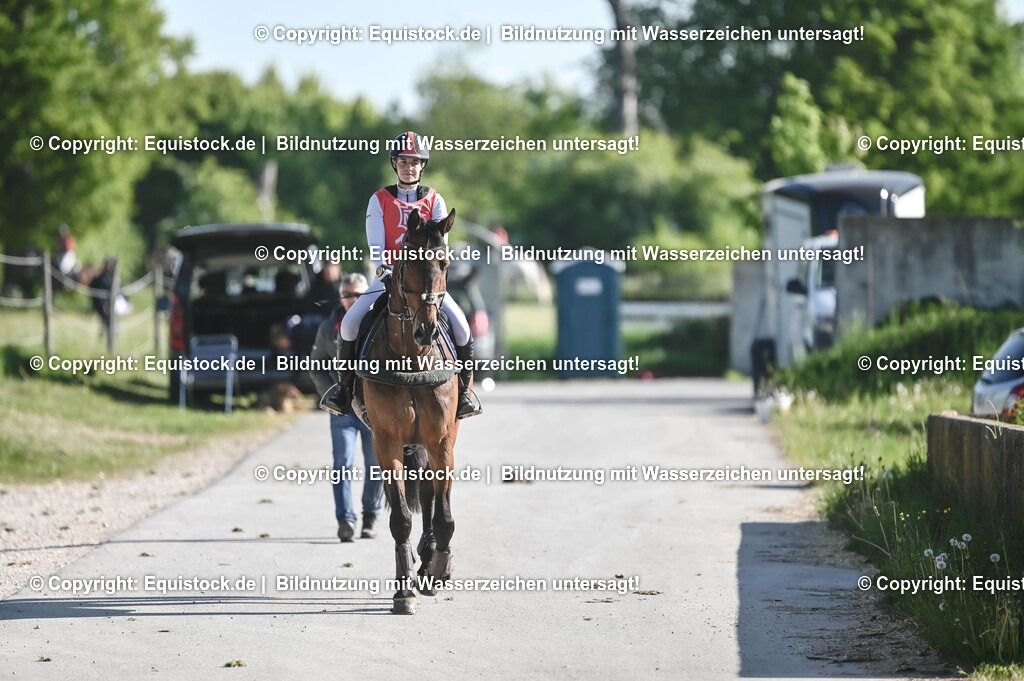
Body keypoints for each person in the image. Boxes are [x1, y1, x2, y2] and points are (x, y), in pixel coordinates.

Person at [323, 130, 481, 419]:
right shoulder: (379, 199)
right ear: (394, 164)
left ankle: (464, 394)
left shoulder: (435, 200)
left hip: (427, 286)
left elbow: (440, 249)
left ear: (423, 165)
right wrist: (388, 277)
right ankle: (343, 390)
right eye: (404, 161)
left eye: (415, 162)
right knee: (349, 325)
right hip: (387, 280)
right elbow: (376, 249)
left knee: (462, 329)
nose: (409, 167)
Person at [308, 273, 384, 541]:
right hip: (343, 410)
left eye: (358, 295)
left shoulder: (380, 323)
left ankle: (370, 516)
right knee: (342, 464)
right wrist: (331, 394)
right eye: (347, 295)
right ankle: (346, 520)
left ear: (368, 295)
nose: (352, 300)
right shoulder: (328, 328)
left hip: (373, 410)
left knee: (376, 464)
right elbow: (316, 366)